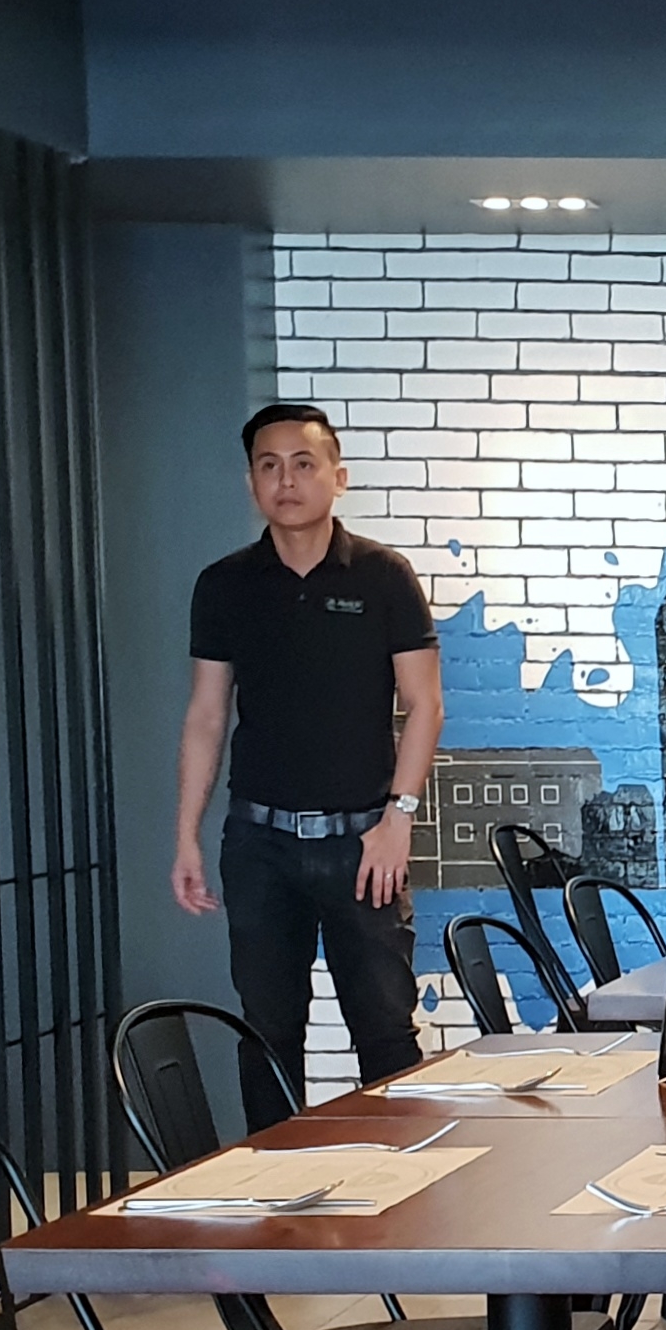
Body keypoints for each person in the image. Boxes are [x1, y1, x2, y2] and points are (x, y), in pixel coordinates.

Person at [172, 403, 444, 1123]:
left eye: (303, 464)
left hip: (364, 841)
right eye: (269, 466)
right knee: (268, 1036)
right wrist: (186, 837)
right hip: (259, 844)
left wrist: (398, 820)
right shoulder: (224, 584)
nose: (286, 480)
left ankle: (403, 1185)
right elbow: (206, 715)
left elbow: (425, 704)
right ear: (251, 483)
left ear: (337, 477)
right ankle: (274, 1187)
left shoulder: (384, 576)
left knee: (385, 1032)